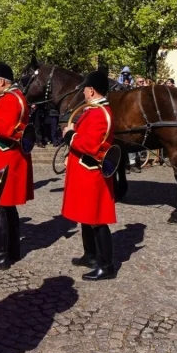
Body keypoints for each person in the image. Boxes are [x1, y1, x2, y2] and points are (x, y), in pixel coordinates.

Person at [61, 71, 117, 280]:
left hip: (91, 172)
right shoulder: (93, 110)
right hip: (83, 169)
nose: (83, 91)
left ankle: (107, 265)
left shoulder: (99, 112)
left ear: (91, 90)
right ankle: (90, 254)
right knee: (86, 216)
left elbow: (90, 145)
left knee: (97, 220)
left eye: (85, 88)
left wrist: (70, 135)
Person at [0, 62, 33, 270]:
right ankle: (12, 250)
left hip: (5, 158)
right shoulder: (8, 96)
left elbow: (7, 129)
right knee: (6, 206)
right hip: (5, 157)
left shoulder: (11, 99)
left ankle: (1, 255)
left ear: (1, 81)